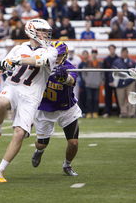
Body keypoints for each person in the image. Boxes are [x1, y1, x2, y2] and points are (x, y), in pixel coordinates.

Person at [0, 19, 58, 182]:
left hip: (32, 95)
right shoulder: (18, 48)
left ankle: (0, 170)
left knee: (20, 133)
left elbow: (41, 61)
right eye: (42, 31)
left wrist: (18, 60)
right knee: (0, 104)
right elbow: (0, 69)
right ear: (32, 32)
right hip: (14, 86)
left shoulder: (50, 51)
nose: (46, 34)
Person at [31, 41, 81, 176]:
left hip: (66, 108)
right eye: (54, 55)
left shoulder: (70, 67)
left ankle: (67, 165)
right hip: (45, 108)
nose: (56, 58)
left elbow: (72, 81)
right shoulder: (40, 66)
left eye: (58, 55)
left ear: (64, 55)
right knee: (41, 144)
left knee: (74, 142)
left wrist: (64, 77)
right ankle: (39, 152)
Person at [110, 47, 136, 118]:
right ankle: (123, 113)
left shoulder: (131, 62)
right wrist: (112, 81)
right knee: (121, 99)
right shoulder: (116, 62)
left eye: (126, 52)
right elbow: (112, 71)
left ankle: (132, 113)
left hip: (130, 82)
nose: (124, 54)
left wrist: (135, 79)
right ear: (121, 53)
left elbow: (135, 71)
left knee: (132, 97)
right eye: (123, 52)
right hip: (120, 82)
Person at [82, 48, 104, 119]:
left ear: (96, 54)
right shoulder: (87, 62)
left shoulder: (100, 63)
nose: (94, 54)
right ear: (91, 54)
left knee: (96, 99)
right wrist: (87, 80)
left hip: (96, 84)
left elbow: (102, 73)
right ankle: (89, 112)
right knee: (89, 99)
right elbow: (83, 73)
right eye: (93, 53)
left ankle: (95, 112)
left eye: (95, 53)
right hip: (89, 84)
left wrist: (100, 81)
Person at [102, 44, 119, 118]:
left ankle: (119, 112)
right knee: (107, 97)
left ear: (115, 49)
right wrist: (104, 79)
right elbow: (104, 71)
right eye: (110, 49)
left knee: (118, 96)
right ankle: (107, 112)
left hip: (117, 80)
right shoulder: (106, 60)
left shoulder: (118, 59)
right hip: (108, 81)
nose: (112, 50)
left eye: (113, 49)